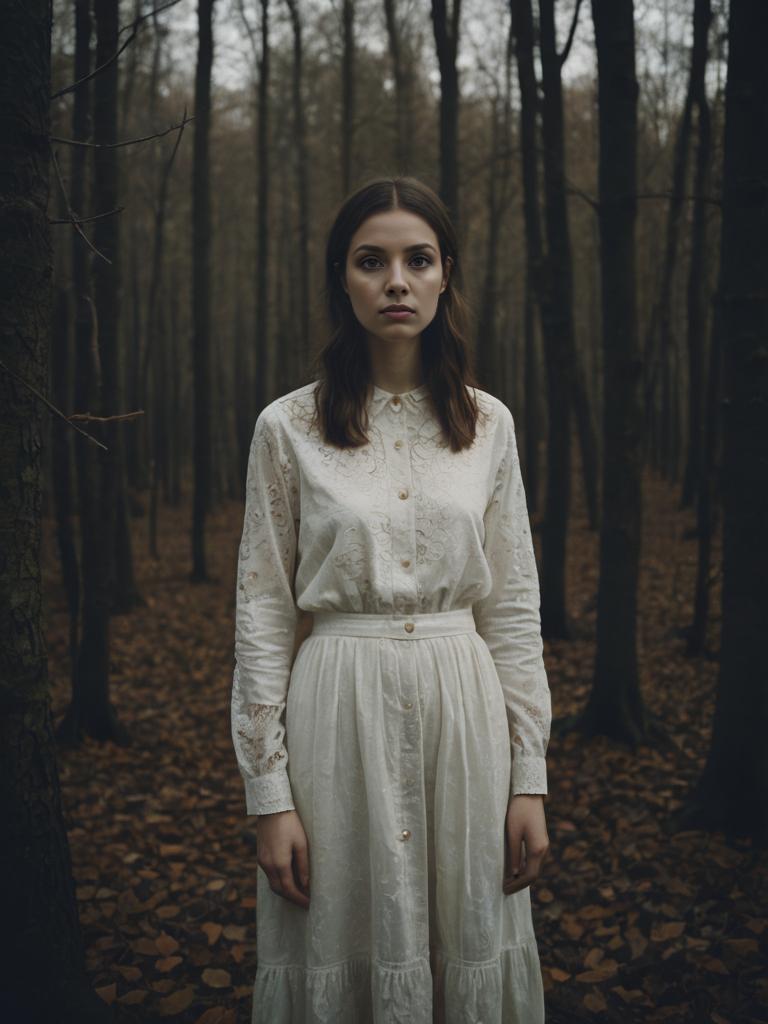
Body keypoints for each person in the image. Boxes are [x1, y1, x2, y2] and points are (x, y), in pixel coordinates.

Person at [231, 175, 552, 1023]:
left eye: (418, 260)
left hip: (465, 711)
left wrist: (531, 779)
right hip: (337, 712)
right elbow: (262, 617)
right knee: (345, 939)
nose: (397, 281)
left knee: (466, 940)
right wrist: (269, 798)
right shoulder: (287, 428)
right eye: (372, 262)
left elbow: (513, 609)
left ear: (448, 275)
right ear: (343, 277)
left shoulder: (491, 427)